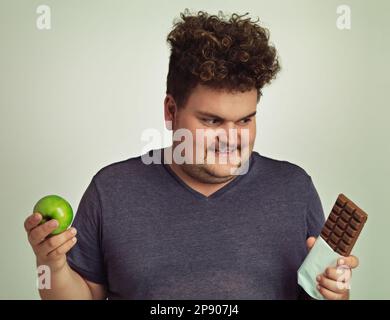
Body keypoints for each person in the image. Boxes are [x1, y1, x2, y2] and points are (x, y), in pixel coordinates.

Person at [24, 10, 358, 299]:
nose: (232, 139)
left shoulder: (294, 189)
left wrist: (336, 291)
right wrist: (50, 265)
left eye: (245, 119)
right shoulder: (111, 189)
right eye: (212, 121)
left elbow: (321, 295)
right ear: (171, 110)